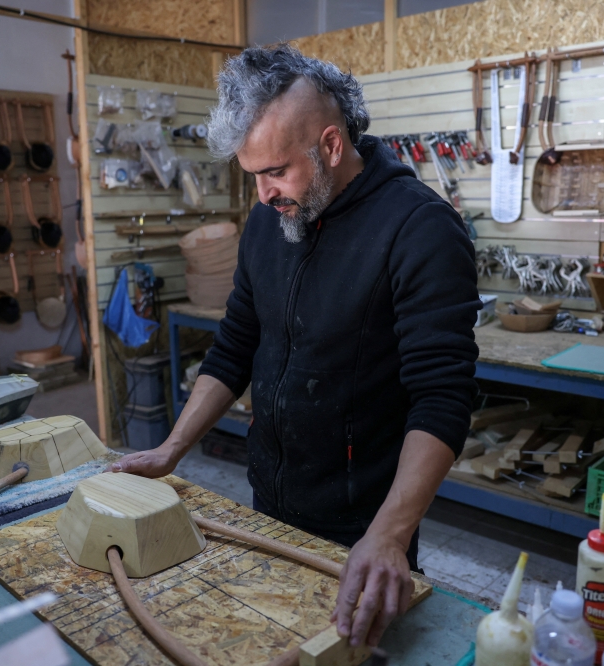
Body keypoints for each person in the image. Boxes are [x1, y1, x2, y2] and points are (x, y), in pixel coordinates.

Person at [106, 44, 480, 649]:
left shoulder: (420, 229)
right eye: (252, 173)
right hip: (270, 500)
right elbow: (234, 345)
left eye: (276, 170)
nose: (262, 193)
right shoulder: (269, 222)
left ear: (331, 146)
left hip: (365, 524)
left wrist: (389, 535)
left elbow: (442, 396)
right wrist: (170, 449)